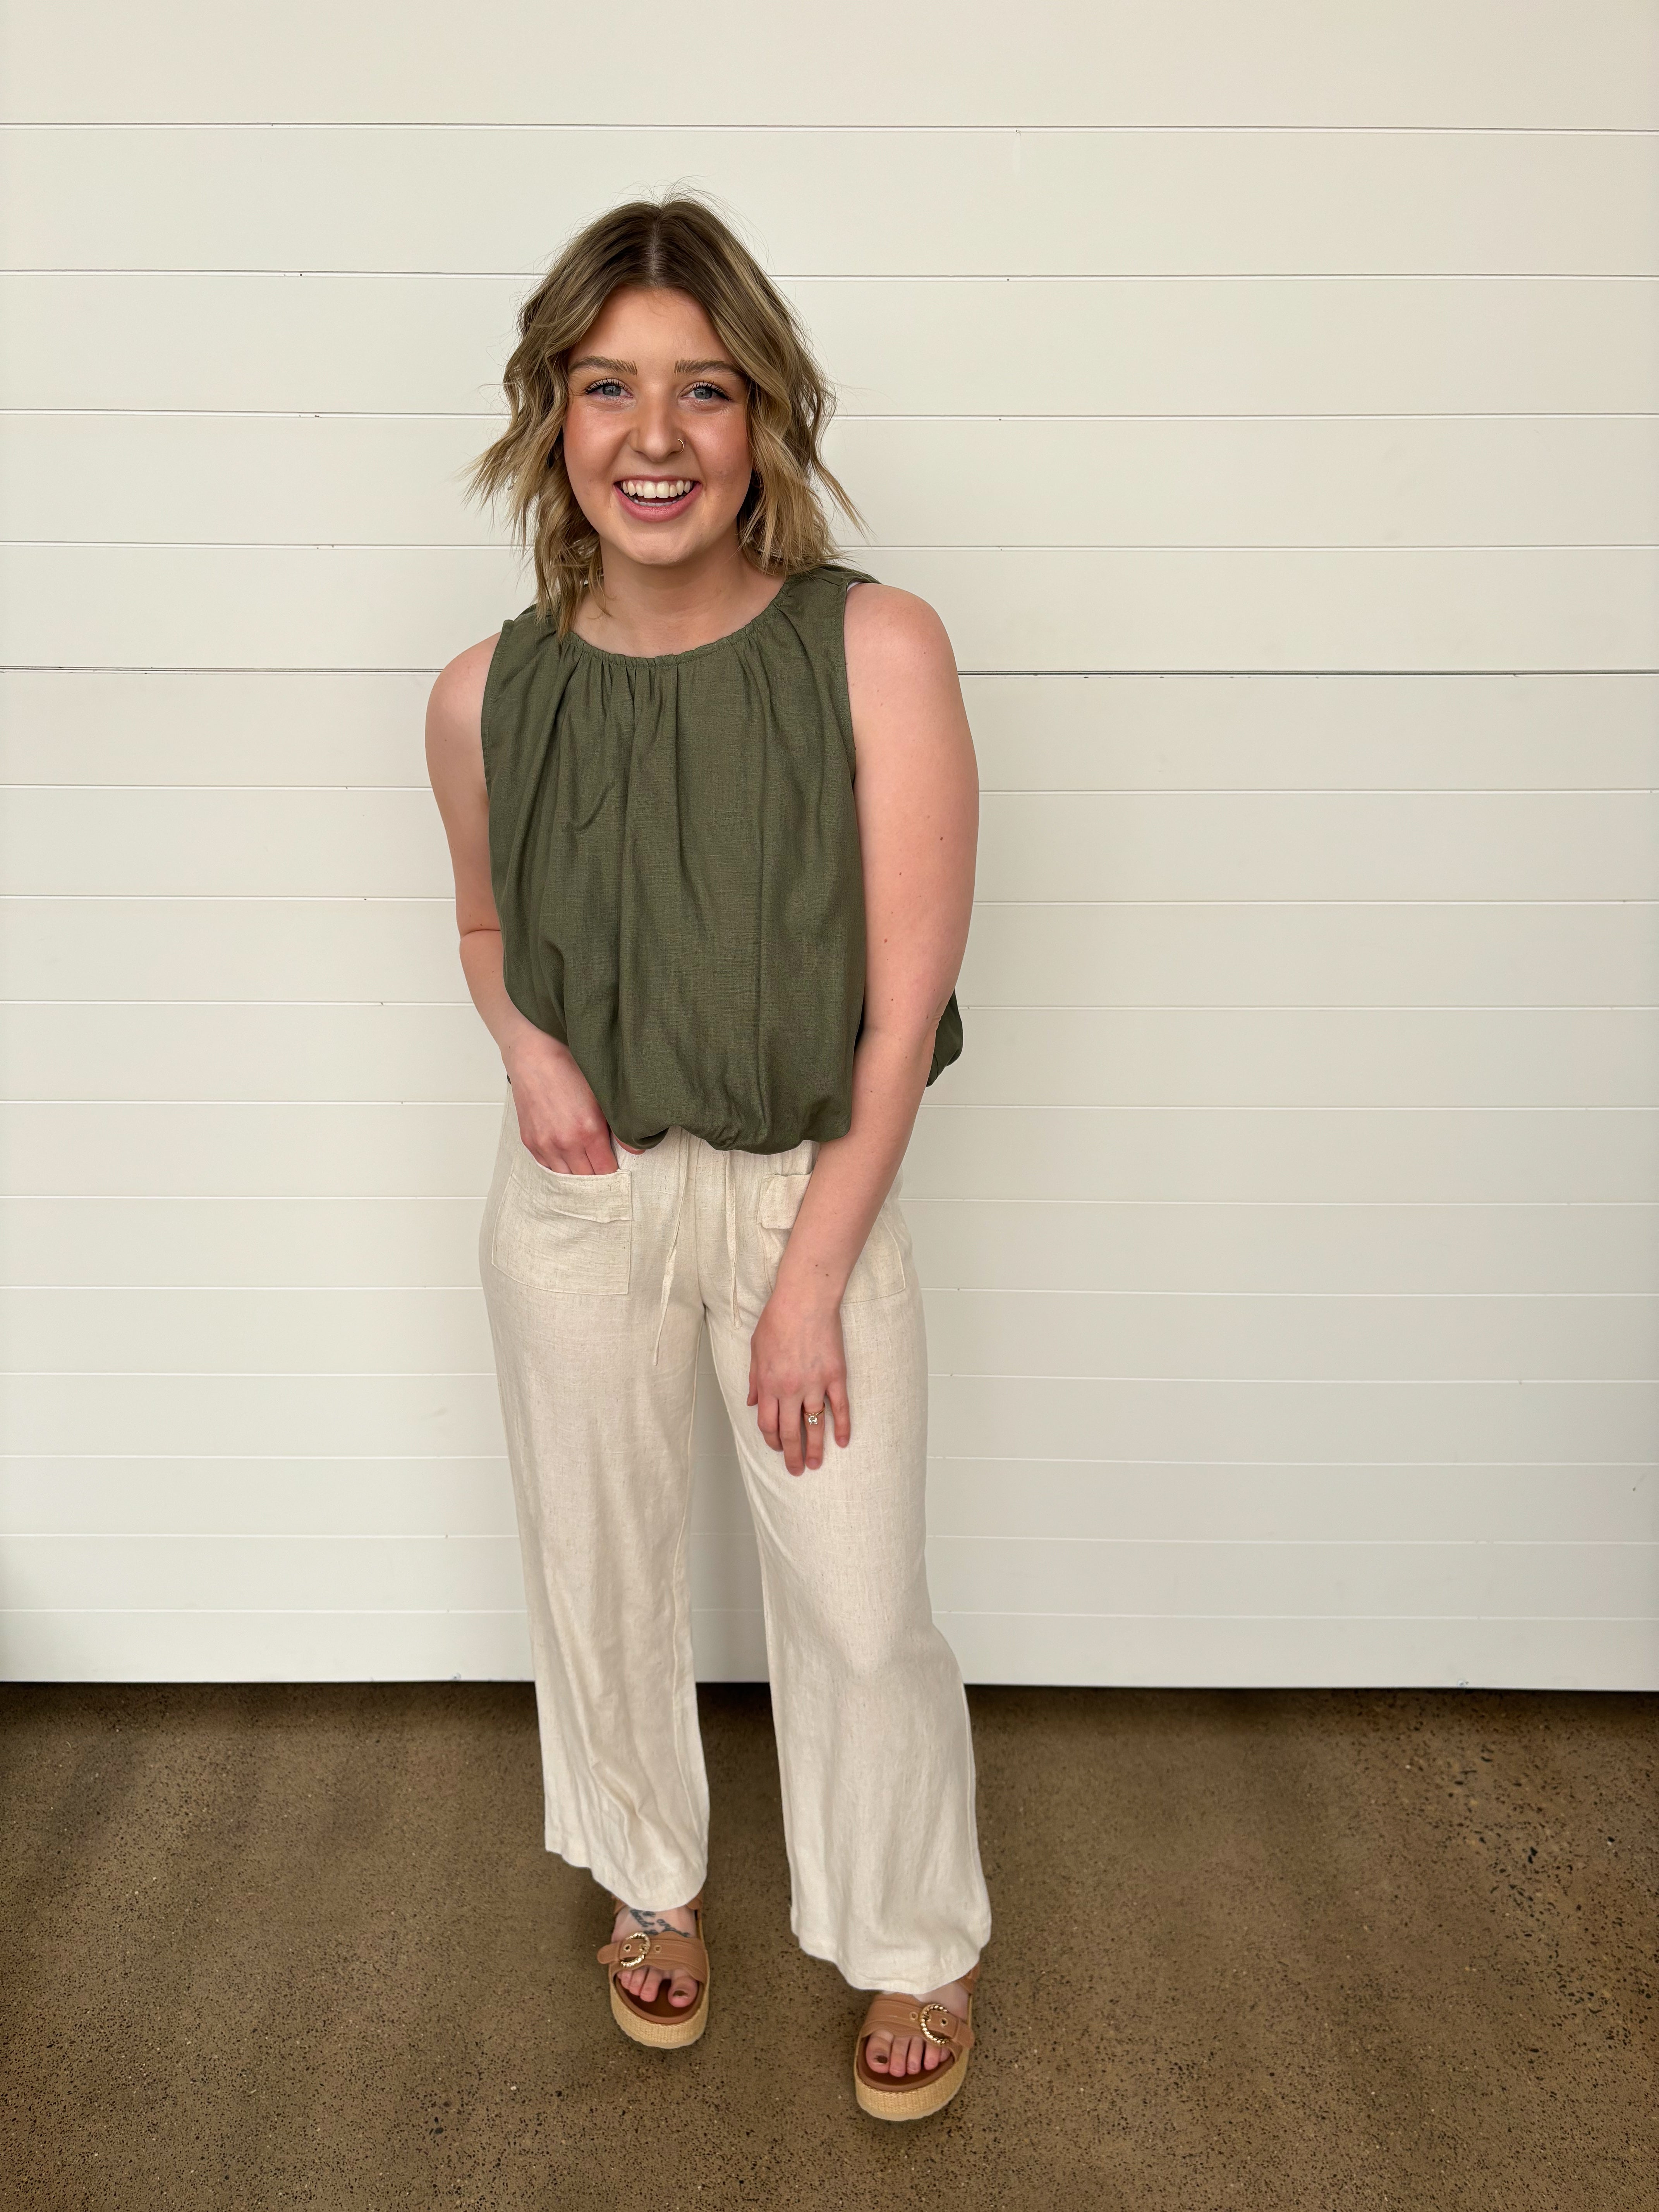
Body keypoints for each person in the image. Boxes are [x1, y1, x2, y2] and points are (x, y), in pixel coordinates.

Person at [424, 192, 990, 2121]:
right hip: (579, 1200)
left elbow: (903, 1007)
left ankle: (911, 1937)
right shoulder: (485, 694)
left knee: (858, 1602)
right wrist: (526, 1050)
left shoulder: (875, 650)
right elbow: (487, 930)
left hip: (800, 1194)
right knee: (597, 1567)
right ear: (551, 415)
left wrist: (812, 1277)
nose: (654, 435)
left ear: (765, 419)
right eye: (608, 388)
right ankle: (647, 1881)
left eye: (705, 389)